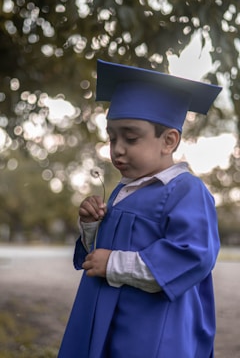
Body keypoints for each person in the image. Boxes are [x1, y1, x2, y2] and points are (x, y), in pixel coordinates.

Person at [58, 60, 222, 358]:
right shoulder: (123, 190)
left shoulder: (186, 190)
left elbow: (193, 255)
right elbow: (98, 253)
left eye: (130, 137)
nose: (117, 148)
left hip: (150, 327)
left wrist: (114, 264)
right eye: (112, 137)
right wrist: (90, 225)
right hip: (105, 315)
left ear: (169, 141)